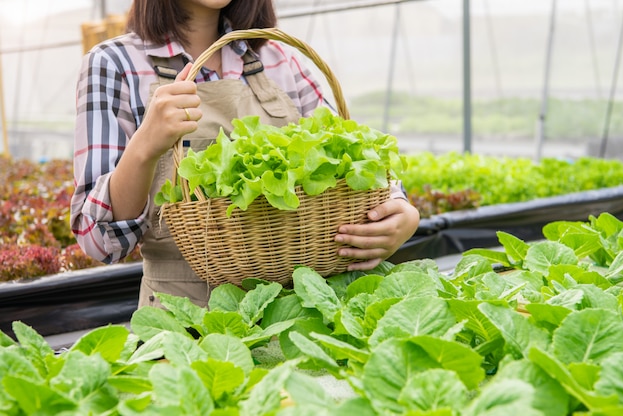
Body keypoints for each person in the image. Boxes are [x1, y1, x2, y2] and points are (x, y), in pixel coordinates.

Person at [70, 0, 420, 309]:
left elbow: (351, 152)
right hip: (186, 327)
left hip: (299, 317)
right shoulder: (113, 64)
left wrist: (399, 213)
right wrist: (144, 146)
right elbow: (101, 242)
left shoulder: (279, 59)